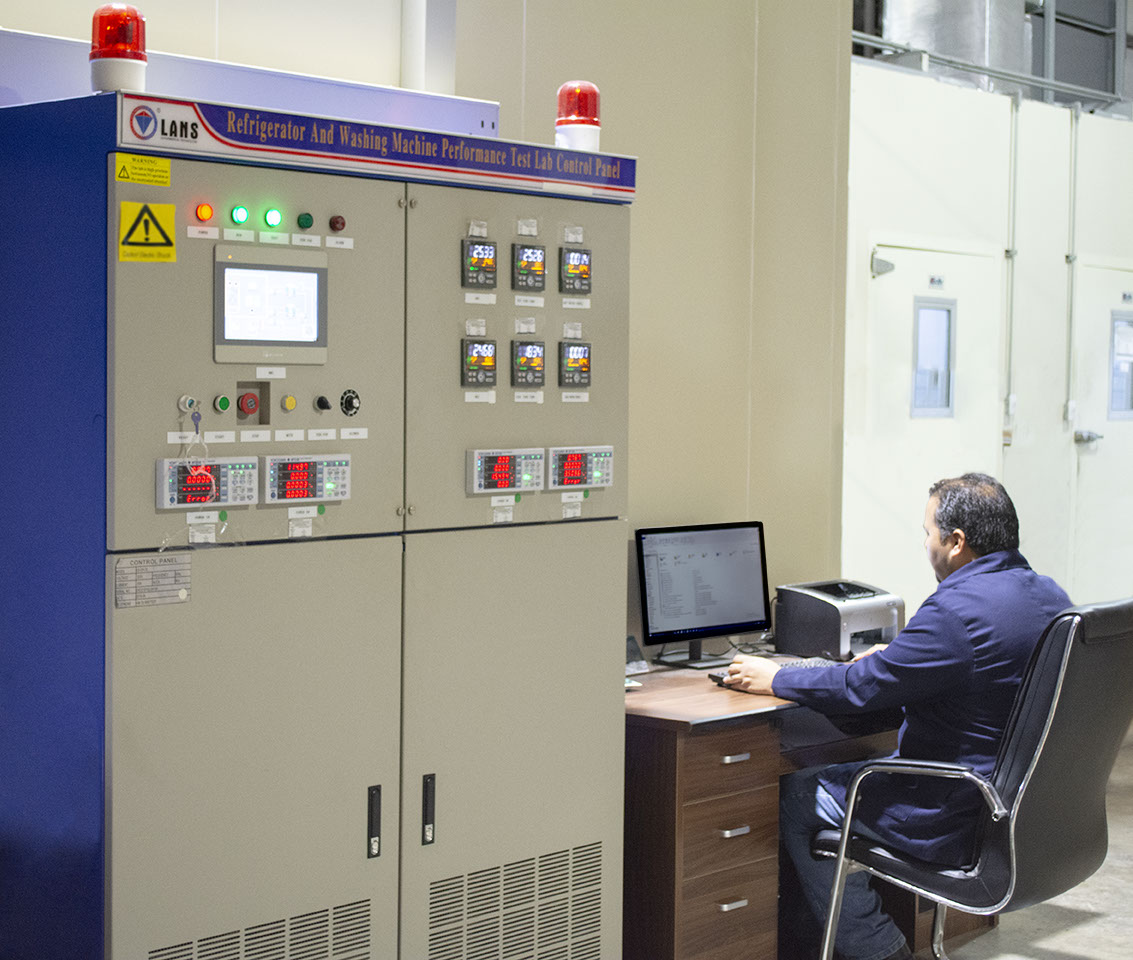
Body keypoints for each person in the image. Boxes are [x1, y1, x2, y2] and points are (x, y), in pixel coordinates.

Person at [724, 473, 1071, 960]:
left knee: (799, 795)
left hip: (949, 812)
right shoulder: (1052, 598)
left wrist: (776, 677)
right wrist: (902, 660)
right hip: (1017, 811)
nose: (925, 544)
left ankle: (880, 951)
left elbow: (858, 688)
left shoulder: (955, 611)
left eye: (928, 533)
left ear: (956, 542)